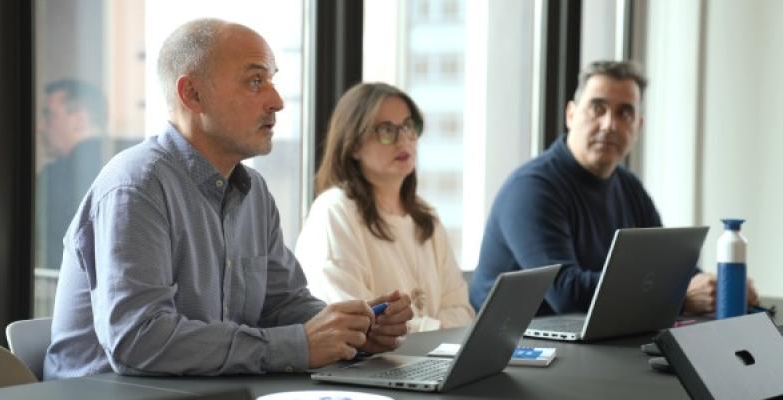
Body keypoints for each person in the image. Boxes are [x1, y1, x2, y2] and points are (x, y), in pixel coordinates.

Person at [44, 18, 413, 380]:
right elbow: (139, 340)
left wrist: (352, 330)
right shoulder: (136, 186)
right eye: (255, 82)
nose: (277, 101)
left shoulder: (254, 192)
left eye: (272, 80)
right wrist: (296, 345)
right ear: (192, 94)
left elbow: (281, 304)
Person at [468, 60, 758, 316]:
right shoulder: (531, 190)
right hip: (521, 351)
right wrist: (679, 295)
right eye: (597, 108)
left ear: (638, 127)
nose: (609, 125)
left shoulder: (628, 186)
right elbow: (564, 292)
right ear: (571, 114)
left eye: (624, 114)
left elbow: (666, 267)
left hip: (590, 342)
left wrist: (715, 288)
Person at [295, 83, 475, 333]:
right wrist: (438, 331)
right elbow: (358, 322)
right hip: (364, 367)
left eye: (408, 127)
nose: (403, 140)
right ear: (353, 145)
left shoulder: (426, 219)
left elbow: (462, 312)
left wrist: (427, 332)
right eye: (386, 130)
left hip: (433, 364)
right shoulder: (335, 210)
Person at [37, 79, 108, 270]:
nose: (40, 128)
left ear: (78, 120)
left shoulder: (53, 180)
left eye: (49, 116)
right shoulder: (123, 165)